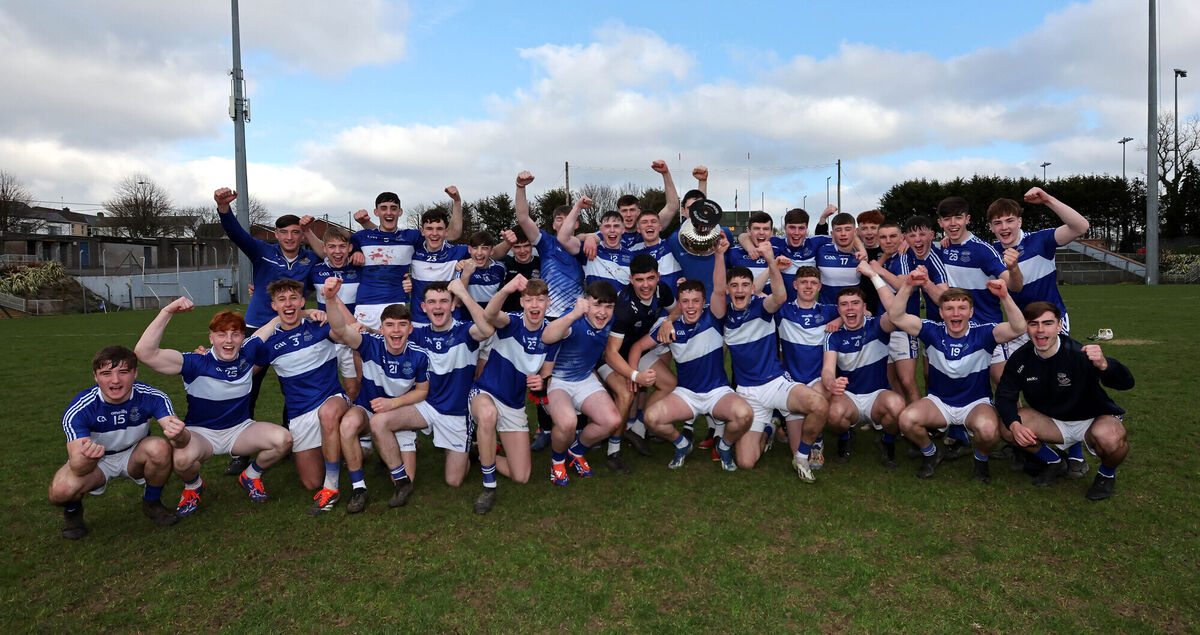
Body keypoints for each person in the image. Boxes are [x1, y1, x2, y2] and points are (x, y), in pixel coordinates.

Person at [134, 298, 293, 516]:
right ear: (211, 338)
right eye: (221, 334)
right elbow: (145, 353)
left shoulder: (247, 352)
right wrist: (168, 311)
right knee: (181, 459)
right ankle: (193, 486)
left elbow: (271, 324)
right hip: (202, 434)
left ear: (242, 337)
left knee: (283, 440)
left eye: (235, 334)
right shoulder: (195, 362)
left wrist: (309, 313)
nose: (229, 340)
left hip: (239, 430)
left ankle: (251, 475)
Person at [214, 187, 319, 475]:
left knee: (295, 387)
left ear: (301, 235)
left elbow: (335, 261)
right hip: (255, 330)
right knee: (246, 387)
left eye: (296, 232)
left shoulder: (310, 260)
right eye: (284, 232)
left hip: (291, 329)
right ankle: (240, 449)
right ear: (276, 234)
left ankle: (292, 439)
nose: (290, 237)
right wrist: (224, 209)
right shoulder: (263, 251)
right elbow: (237, 234)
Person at [988, 187, 1091, 476]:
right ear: (991, 227)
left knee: (1061, 381)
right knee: (1004, 378)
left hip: (1048, 322)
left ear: (1020, 221)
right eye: (997, 223)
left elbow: (1081, 226)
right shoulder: (992, 252)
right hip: (1017, 325)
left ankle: (1076, 452)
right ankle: (1023, 437)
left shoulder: (1041, 240)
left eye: (1009, 220)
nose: (1004, 227)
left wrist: (1047, 199)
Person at [889, 275, 1026, 482]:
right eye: (950, 308)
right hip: (939, 402)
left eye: (962, 308)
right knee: (906, 420)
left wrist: (1005, 296)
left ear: (971, 312)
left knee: (989, 430)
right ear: (941, 312)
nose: (956, 313)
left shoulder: (984, 333)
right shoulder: (931, 331)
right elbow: (896, 316)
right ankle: (931, 452)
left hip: (975, 403)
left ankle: (981, 460)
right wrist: (908, 285)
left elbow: (1018, 328)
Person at [636, 236, 753, 471]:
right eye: (685, 301)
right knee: (651, 418)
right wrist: (633, 376)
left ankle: (725, 446)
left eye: (696, 301)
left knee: (744, 415)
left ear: (703, 303)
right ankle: (681, 443)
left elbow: (720, 290)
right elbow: (638, 347)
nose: (690, 306)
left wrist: (719, 255)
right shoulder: (669, 327)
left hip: (717, 392)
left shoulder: (714, 317)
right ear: (679, 303)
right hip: (687, 393)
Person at [995, 302, 1134, 500]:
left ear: (1059, 326)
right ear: (1027, 327)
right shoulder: (1020, 359)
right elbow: (1004, 396)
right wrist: (1015, 425)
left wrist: (1105, 365)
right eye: (1034, 324)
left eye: (1048, 323)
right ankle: (1055, 461)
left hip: (1092, 419)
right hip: (1053, 421)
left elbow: (1127, 383)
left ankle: (1106, 475)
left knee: (1111, 438)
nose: (1041, 330)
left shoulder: (1079, 354)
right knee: (1008, 426)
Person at [48, 346, 183, 539]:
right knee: (60, 491)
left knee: (160, 447)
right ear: (95, 376)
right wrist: (88, 457)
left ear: (135, 372)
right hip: (98, 462)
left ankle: (152, 503)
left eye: (123, 372)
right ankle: (73, 513)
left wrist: (179, 434)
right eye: (106, 373)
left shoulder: (152, 396)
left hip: (133, 454)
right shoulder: (80, 409)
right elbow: (78, 466)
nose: (115, 380)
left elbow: (180, 438)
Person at [322, 279, 431, 514]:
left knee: (405, 485)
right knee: (348, 424)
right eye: (390, 325)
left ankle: (396, 466)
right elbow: (340, 330)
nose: (396, 330)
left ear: (410, 329)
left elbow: (423, 391)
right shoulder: (370, 345)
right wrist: (330, 299)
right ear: (381, 329)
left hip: (399, 413)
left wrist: (394, 403)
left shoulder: (419, 356)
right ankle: (359, 487)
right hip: (369, 409)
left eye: (402, 325)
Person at [718, 240, 828, 473]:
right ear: (728, 290)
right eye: (734, 286)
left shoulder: (762, 307)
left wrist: (770, 259)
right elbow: (719, 290)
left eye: (745, 285)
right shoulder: (723, 315)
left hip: (776, 385)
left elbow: (779, 296)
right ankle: (768, 428)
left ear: (753, 289)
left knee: (818, 405)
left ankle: (799, 457)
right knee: (747, 462)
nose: (740, 290)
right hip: (748, 392)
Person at [249, 279, 350, 515]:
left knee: (328, 413)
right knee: (310, 482)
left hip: (331, 399)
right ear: (274, 306)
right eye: (282, 300)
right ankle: (334, 455)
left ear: (302, 301)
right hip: (300, 414)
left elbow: (344, 332)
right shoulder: (270, 344)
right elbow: (245, 372)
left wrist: (323, 309)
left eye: (293, 298)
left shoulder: (320, 325)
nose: (288, 304)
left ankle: (331, 487)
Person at [470, 275, 560, 514]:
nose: (534, 305)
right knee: (487, 416)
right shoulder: (511, 322)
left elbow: (546, 374)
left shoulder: (552, 333)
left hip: (514, 404)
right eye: (529, 300)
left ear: (548, 303)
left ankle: (480, 451)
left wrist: (540, 381)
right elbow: (489, 315)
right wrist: (507, 289)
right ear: (521, 302)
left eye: (540, 300)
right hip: (485, 392)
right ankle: (489, 486)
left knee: (521, 475)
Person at [407, 280, 495, 491]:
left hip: (456, 412)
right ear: (424, 307)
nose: (438, 307)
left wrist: (463, 295)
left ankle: (468, 451)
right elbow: (389, 334)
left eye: (444, 301)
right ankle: (398, 464)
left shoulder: (465, 331)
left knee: (453, 481)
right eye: (432, 302)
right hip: (426, 407)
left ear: (452, 305)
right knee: (383, 420)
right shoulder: (419, 333)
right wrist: (366, 328)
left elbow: (487, 329)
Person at [599, 253, 679, 472]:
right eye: (640, 279)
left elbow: (677, 308)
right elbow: (612, 352)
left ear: (658, 277)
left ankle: (637, 428)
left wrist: (669, 321)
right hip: (608, 356)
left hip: (637, 349)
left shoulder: (663, 289)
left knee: (670, 383)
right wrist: (634, 375)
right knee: (626, 394)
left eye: (650, 278)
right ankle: (613, 452)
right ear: (631, 279)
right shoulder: (623, 307)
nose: (646, 285)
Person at [540, 282, 624, 486]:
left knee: (611, 421)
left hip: (584, 377)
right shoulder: (574, 318)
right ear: (586, 303)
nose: (603, 313)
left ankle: (575, 451)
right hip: (557, 380)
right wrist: (573, 315)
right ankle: (557, 461)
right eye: (597, 305)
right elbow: (547, 336)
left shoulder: (611, 321)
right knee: (568, 423)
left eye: (609, 307)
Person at [934, 196, 1024, 386]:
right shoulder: (943, 248)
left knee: (1002, 383)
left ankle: (1012, 416)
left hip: (987, 328)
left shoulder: (983, 250)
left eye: (958, 217)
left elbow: (1014, 286)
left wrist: (1014, 268)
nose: (953, 223)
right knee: (961, 382)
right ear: (940, 222)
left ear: (967, 219)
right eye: (947, 219)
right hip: (958, 329)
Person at [822, 269, 904, 468]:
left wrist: (874, 276)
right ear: (839, 310)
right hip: (848, 396)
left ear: (864, 307)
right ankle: (845, 437)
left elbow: (894, 312)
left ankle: (888, 442)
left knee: (897, 406)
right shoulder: (834, 335)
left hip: (877, 395)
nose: (850, 308)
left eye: (855, 303)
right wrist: (831, 383)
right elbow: (827, 369)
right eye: (844, 304)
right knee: (832, 414)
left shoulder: (877, 326)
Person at [774, 266, 840, 473]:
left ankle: (817, 441)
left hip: (817, 379)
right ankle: (777, 424)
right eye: (804, 282)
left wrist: (840, 319)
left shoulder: (828, 311)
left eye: (813, 283)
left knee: (819, 396)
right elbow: (755, 298)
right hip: (791, 380)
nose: (808, 287)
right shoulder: (783, 309)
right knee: (796, 448)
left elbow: (862, 311)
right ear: (795, 285)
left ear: (820, 286)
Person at [309, 226, 364, 400]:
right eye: (332, 247)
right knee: (319, 387)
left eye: (342, 246)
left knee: (353, 388)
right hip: (324, 337)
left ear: (349, 248)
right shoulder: (315, 270)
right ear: (324, 248)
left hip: (350, 338)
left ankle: (352, 424)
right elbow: (295, 292)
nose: (337, 251)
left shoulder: (360, 269)